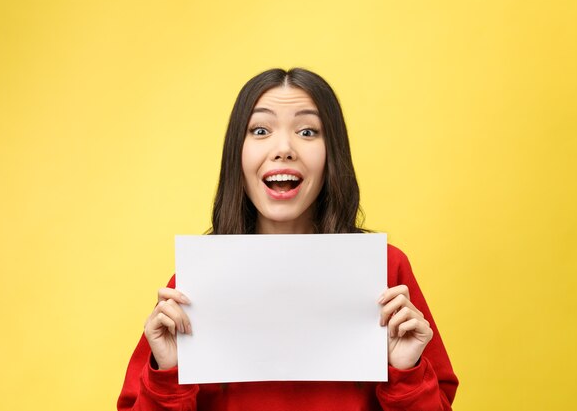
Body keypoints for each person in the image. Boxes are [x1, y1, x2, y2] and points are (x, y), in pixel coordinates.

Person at [117, 68, 458, 411]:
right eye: (260, 130)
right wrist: (167, 373)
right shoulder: (192, 285)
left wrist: (407, 371)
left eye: (307, 131)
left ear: (331, 155)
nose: (284, 148)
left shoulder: (387, 270)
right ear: (238, 154)